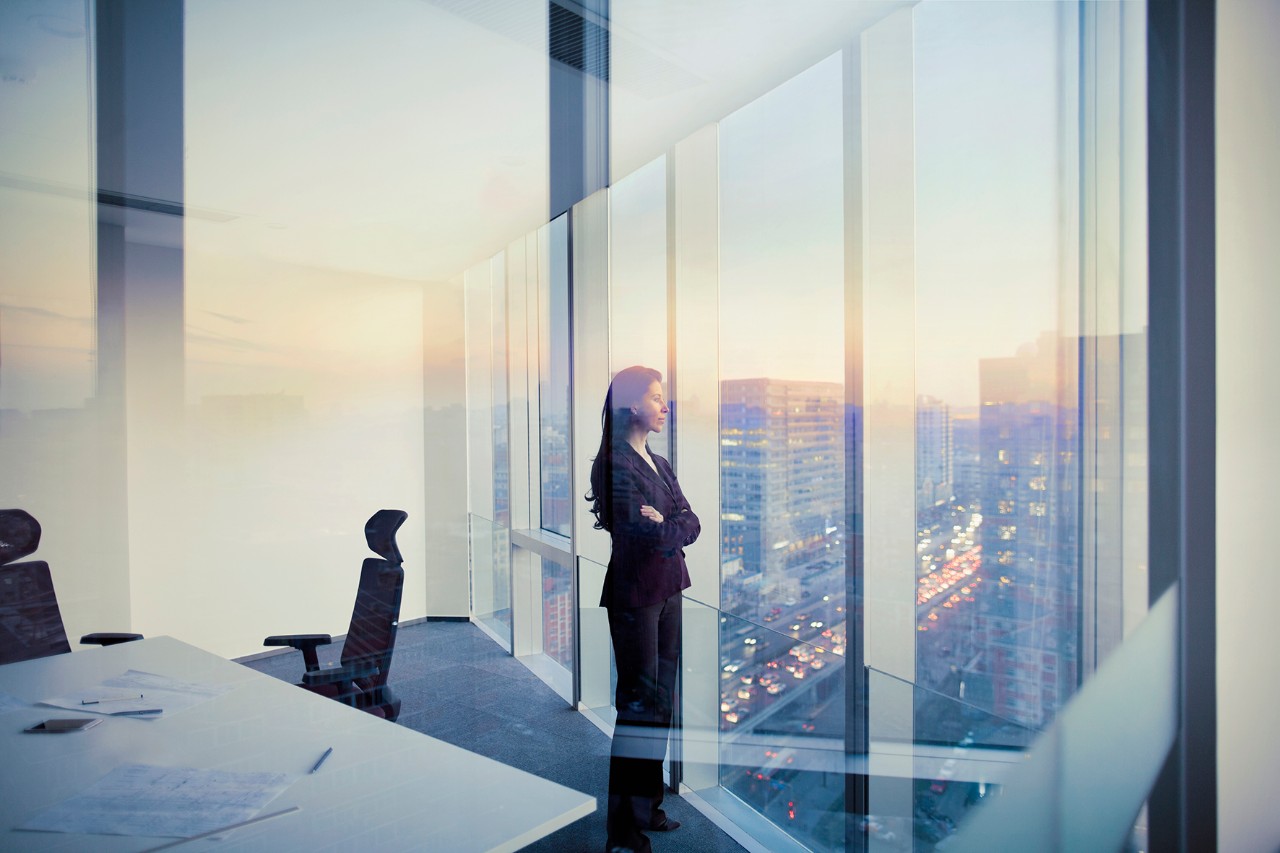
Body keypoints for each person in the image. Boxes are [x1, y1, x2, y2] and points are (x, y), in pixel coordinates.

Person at [586, 366, 700, 853]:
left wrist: (667, 523)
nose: (665, 406)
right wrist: (664, 525)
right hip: (635, 595)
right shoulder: (612, 464)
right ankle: (622, 831)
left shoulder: (658, 461)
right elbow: (636, 533)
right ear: (633, 405)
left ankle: (648, 806)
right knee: (636, 708)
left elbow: (691, 521)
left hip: (671, 590)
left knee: (661, 704)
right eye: (657, 398)